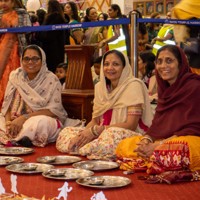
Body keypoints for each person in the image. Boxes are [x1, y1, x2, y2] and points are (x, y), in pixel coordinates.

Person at [116, 45, 200, 175]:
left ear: (180, 64)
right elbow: (158, 125)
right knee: (126, 145)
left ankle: (152, 159)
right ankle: (153, 160)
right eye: (159, 61)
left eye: (169, 61)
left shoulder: (194, 86)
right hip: (165, 141)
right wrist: (147, 140)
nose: (163, 66)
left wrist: (157, 145)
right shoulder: (165, 89)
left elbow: (193, 127)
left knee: (175, 150)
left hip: (190, 140)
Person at [56, 50, 153, 160]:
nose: (110, 68)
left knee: (110, 135)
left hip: (124, 134)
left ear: (124, 67)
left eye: (115, 64)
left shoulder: (133, 85)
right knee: (67, 131)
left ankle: (84, 149)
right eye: (106, 64)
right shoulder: (100, 87)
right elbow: (95, 120)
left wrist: (97, 130)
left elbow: (131, 125)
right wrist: (82, 135)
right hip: (100, 133)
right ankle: (87, 148)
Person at [0, 45, 67, 147]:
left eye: (35, 59)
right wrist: (9, 122)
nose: (30, 62)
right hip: (14, 120)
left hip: (37, 119)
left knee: (40, 123)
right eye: (26, 59)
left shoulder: (51, 79)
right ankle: (17, 137)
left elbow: (54, 111)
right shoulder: (15, 76)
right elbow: (7, 105)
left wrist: (23, 118)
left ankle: (13, 138)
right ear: (22, 60)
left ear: (42, 60)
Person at [0, 0, 31, 109]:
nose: (3, 4)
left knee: (15, 74)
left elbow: (28, 30)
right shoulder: (0, 14)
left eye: (6, 0)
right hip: (2, 48)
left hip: (17, 48)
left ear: (13, 2)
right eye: (1, 1)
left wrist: (15, 26)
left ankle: (14, 105)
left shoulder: (21, 12)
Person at [37, 0, 66, 73]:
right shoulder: (60, 17)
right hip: (58, 47)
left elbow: (47, 35)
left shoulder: (52, 18)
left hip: (51, 49)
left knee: (51, 69)